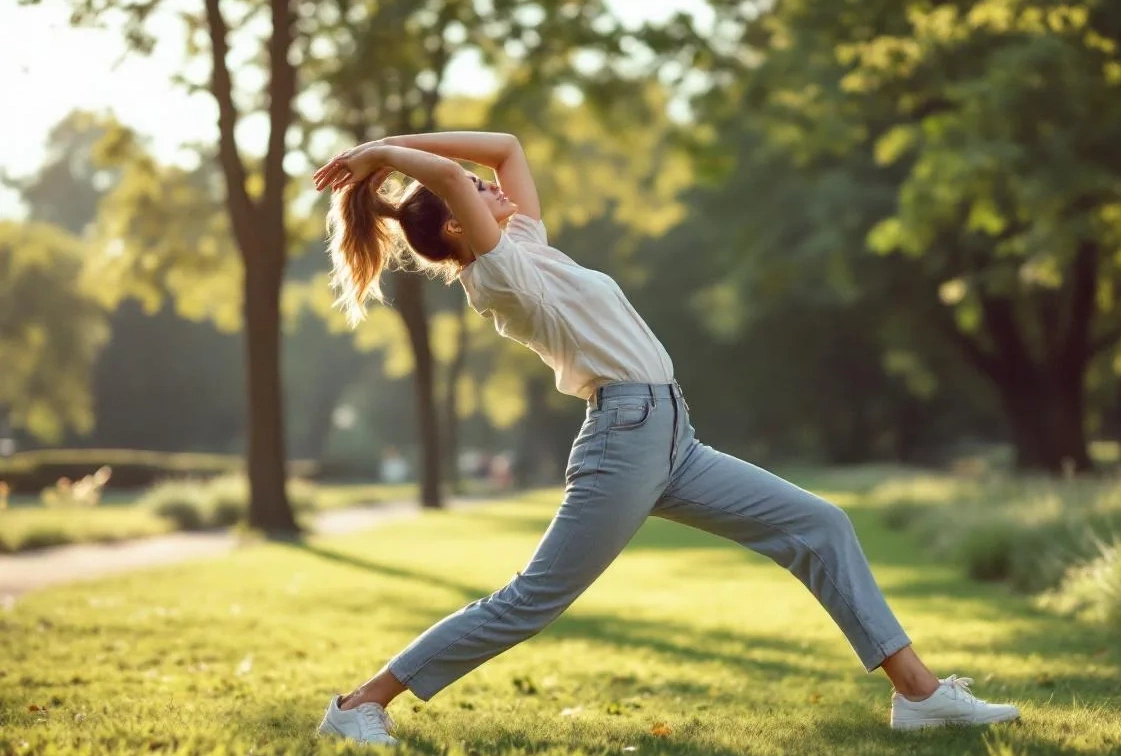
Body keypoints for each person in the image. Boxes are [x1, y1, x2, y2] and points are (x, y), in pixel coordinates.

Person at [310, 131, 1020, 745]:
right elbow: (441, 176)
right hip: (623, 437)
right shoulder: (498, 273)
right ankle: (359, 704)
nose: (492, 186)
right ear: (460, 229)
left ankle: (920, 697)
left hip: (672, 437)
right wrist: (380, 156)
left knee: (820, 525)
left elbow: (507, 148)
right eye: (474, 191)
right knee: (531, 601)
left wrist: (393, 146)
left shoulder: (526, 243)